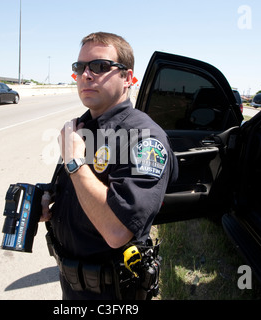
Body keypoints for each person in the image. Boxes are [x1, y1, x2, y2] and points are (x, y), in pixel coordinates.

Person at [40, 32, 178, 300]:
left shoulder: (145, 139)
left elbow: (117, 231)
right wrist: (48, 198)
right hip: (72, 287)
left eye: (100, 66)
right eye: (80, 67)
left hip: (113, 293)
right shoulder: (80, 128)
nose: (86, 75)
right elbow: (71, 188)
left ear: (127, 78)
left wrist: (75, 162)